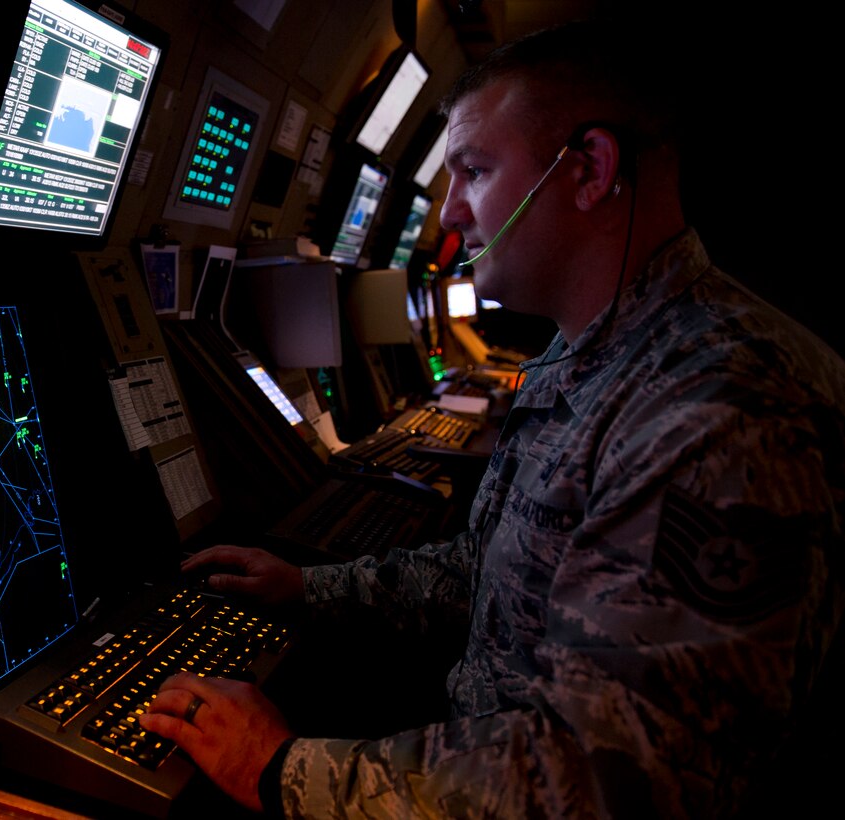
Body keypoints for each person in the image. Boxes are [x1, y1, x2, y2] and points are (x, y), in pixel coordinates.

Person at [140, 18, 845, 817]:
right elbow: (495, 568)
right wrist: (311, 586)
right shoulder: (589, 352)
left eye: (472, 170)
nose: (448, 217)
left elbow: (603, 782)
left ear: (588, 170)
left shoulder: (718, 413)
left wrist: (278, 768)